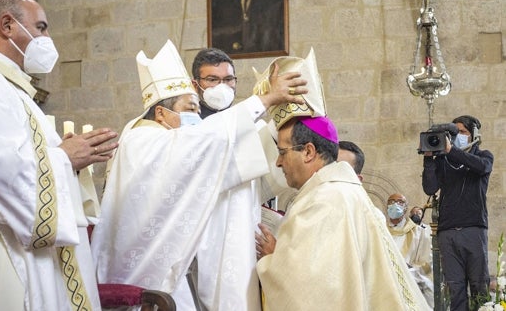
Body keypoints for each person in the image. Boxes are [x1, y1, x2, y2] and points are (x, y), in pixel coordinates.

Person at [90, 39, 307, 310]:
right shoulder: (141, 138)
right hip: (147, 267)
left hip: (173, 259)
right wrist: (265, 100)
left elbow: (215, 154)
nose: (196, 118)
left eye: (228, 79)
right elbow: (201, 141)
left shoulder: (166, 137)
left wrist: (278, 123)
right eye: (190, 109)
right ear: (161, 113)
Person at [0, 0, 118, 311]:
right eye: (41, 27)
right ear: (7, 26)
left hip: (24, 246)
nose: (47, 38)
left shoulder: (11, 88)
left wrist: (70, 163)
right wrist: (64, 158)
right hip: (4, 249)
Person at [255, 115, 430, 310]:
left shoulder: (324, 201)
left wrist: (273, 260)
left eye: (282, 152)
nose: (279, 162)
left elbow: (315, 291)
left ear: (308, 152)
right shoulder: (341, 192)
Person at [190, 47, 298, 310]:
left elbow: (266, 180)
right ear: (196, 85)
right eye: (212, 80)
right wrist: (265, 100)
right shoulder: (190, 125)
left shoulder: (249, 123)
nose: (222, 86)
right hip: (207, 235)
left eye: (228, 79)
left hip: (242, 231)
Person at [422, 115, 493, 310]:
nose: (458, 136)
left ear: (474, 135)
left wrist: (451, 151)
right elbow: (430, 188)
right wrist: (429, 160)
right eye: (454, 133)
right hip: (448, 231)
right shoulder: (444, 161)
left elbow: (481, 167)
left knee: (479, 284)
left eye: (462, 132)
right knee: (455, 287)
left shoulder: (484, 156)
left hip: (473, 229)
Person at [386, 193, 434, 308]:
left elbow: (427, 263)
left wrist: (407, 272)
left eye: (400, 202)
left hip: (411, 279)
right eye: (391, 202)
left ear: (406, 208)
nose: (395, 205)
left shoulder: (420, 232)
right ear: (387, 206)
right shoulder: (379, 230)